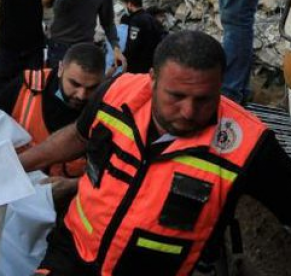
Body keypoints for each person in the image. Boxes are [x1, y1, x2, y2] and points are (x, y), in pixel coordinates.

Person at [20, 31, 291, 276]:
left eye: (204, 99)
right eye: (176, 96)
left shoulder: (248, 145)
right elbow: (79, 135)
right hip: (73, 253)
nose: (189, 111)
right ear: (152, 80)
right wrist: (16, 164)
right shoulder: (117, 92)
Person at [0, 43, 105, 204]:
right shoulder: (27, 86)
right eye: (74, 84)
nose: (81, 95)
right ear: (60, 69)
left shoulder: (106, 111)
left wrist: (73, 185)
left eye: (92, 88)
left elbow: (109, 177)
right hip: (9, 190)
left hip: (67, 203)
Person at [121, 0, 163, 74]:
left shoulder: (135, 21)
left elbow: (132, 46)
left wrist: (121, 60)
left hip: (138, 68)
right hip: (153, 66)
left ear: (129, 4)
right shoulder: (152, 19)